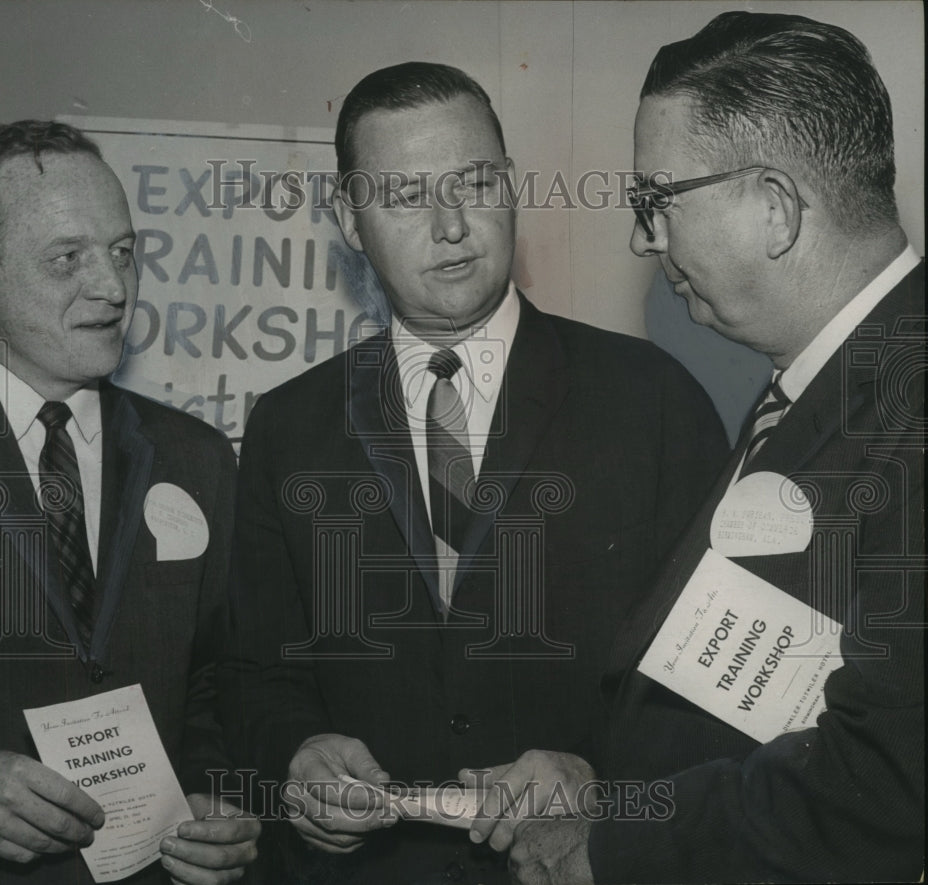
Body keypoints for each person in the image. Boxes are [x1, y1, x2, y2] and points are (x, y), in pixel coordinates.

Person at [223, 62, 727, 884]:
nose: (452, 224)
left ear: (513, 185)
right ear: (351, 222)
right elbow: (253, 674)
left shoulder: (653, 398)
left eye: (474, 181)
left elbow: (718, 686)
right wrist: (296, 754)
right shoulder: (289, 426)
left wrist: (601, 780)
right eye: (406, 197)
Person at [507, 12, 924, 884]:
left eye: (656, 202)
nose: (640, 238)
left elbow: (880, 785)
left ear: (773, 208)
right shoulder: (819, 386)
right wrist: (600, 778)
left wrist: (613, 839)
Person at [0, 121, 260, 884]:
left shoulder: (197, 457)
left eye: (122, 252)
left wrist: (216, 796)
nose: (113, 288)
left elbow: (219, 678)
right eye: (68, 258)